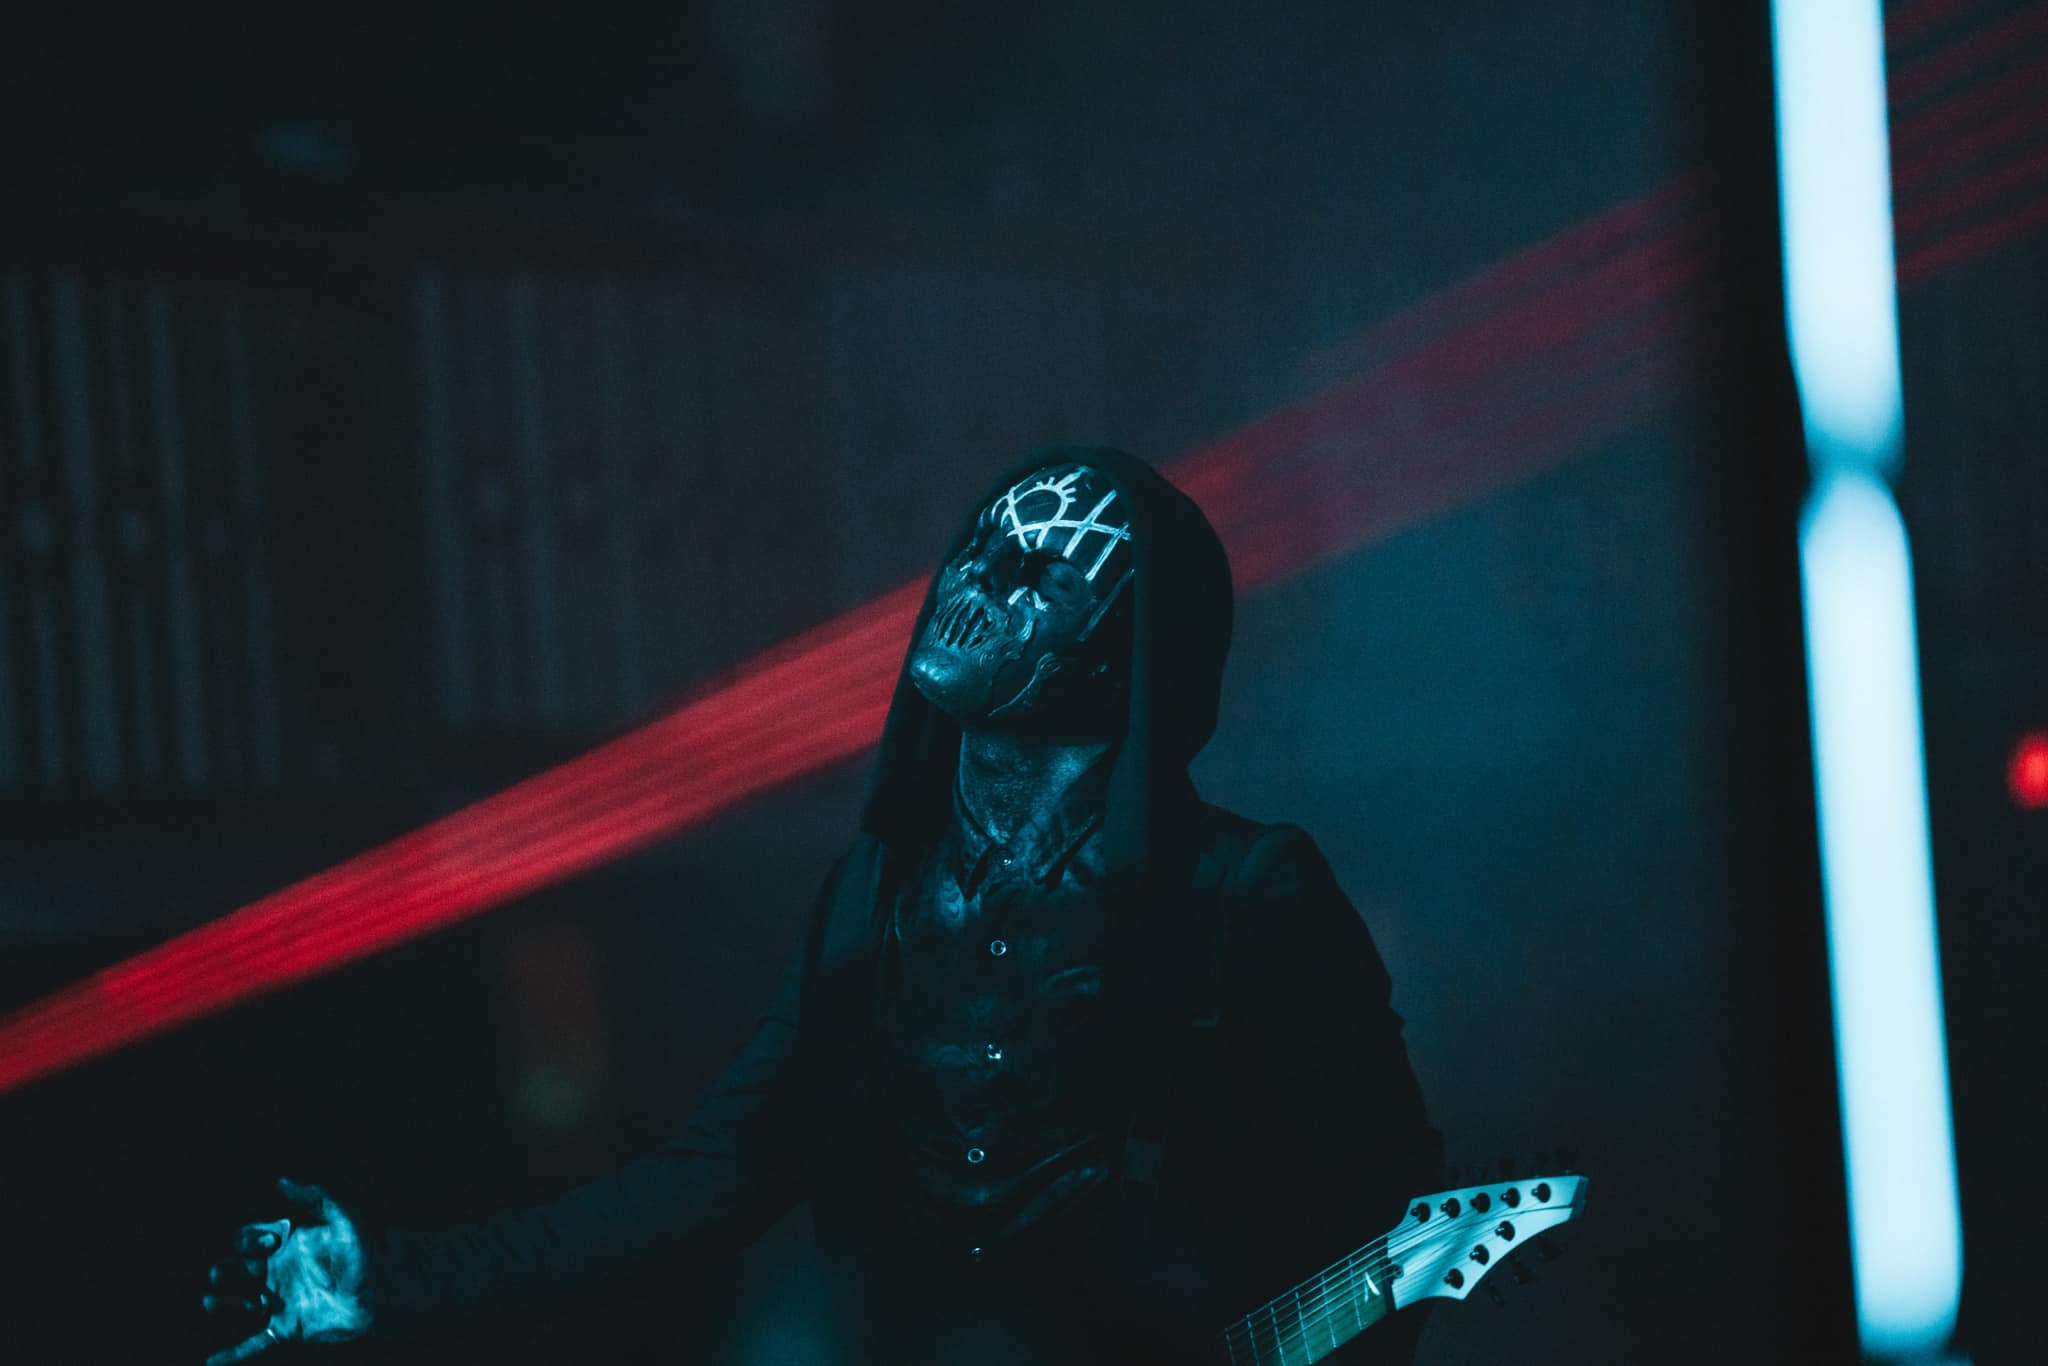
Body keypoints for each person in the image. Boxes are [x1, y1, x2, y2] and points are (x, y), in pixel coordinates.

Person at [201, 448, 1442, 1364]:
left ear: (1126, 642)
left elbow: (1390, 1213)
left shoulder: (1244, 890)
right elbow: (703, 1181)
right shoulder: (874, 899)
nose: (974, 584)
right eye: (977, 548)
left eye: (1035, 573)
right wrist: (389, 1280)